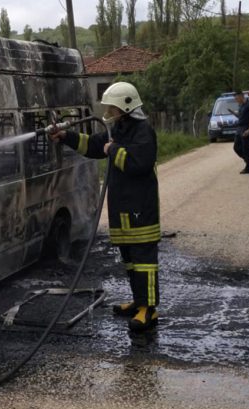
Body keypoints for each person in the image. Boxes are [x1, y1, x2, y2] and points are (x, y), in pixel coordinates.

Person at [50, 82, 160, 332]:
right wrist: (66, 136)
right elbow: (93, 145)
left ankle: (149, 310)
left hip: (141, 209)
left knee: (144, 261)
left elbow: (139, 163)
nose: (109, 112)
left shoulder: (143, 131)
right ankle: (138, 302)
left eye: (112, 107)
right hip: (122, 206)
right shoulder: (119, 129)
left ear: (126, 106)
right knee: (130, 260)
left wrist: (113, 150)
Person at [231, 91, 249, 174]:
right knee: (236, 147)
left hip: (246, 127)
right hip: (240, 128)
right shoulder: (240, 105)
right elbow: (241, 116)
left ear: (241, 96)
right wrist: (233, 113)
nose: (236, 100)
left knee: (246, 148)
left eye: (237, 98)